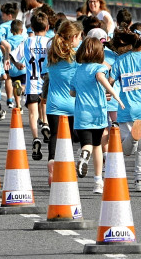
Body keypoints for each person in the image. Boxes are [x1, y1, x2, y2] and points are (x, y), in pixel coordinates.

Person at [71, 37, 125, 194]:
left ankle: (83, 156)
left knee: (86, 144)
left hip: (81, 115)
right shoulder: (99, 69)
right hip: (98, 114)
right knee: (97, 146)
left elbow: (72, 92)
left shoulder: (78, 70)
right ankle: (97, 182)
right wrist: (115, 95)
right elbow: (103, 80)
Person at [109, 23, 141, 192]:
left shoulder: (121, 60)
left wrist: (109, 91)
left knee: (126, 150)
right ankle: (139, 180)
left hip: (125, 109)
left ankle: (132, 139)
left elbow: (110, 81)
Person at [44, 20, 83, 184]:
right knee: (74, 140)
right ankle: (67, 169)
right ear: (73, 37)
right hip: (73, 104)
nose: (80, 40)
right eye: (80, 37)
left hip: (54, 104)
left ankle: (52, 161)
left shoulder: (52, 52)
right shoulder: (77, 56)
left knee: (55, 136)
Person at [14, 11, 51, 160]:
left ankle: (35, 138)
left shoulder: (27, 41)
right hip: (46, 81)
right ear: (47, 27)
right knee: (45, 106)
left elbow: (14, 55)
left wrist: (18, 64)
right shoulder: (50, 42)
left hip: (31, 83)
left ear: (32, 27)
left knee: (32, 114)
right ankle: (46, 125)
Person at [2, 18, 27, 109]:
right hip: (23, 67)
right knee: (23, 85)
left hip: (12, 69)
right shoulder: (25, 39)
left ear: (11, 30)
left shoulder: (8, 41)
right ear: (22, 30)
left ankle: (18, 105)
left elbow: (5, 50)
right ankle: (23, 89)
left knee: (16, 86)